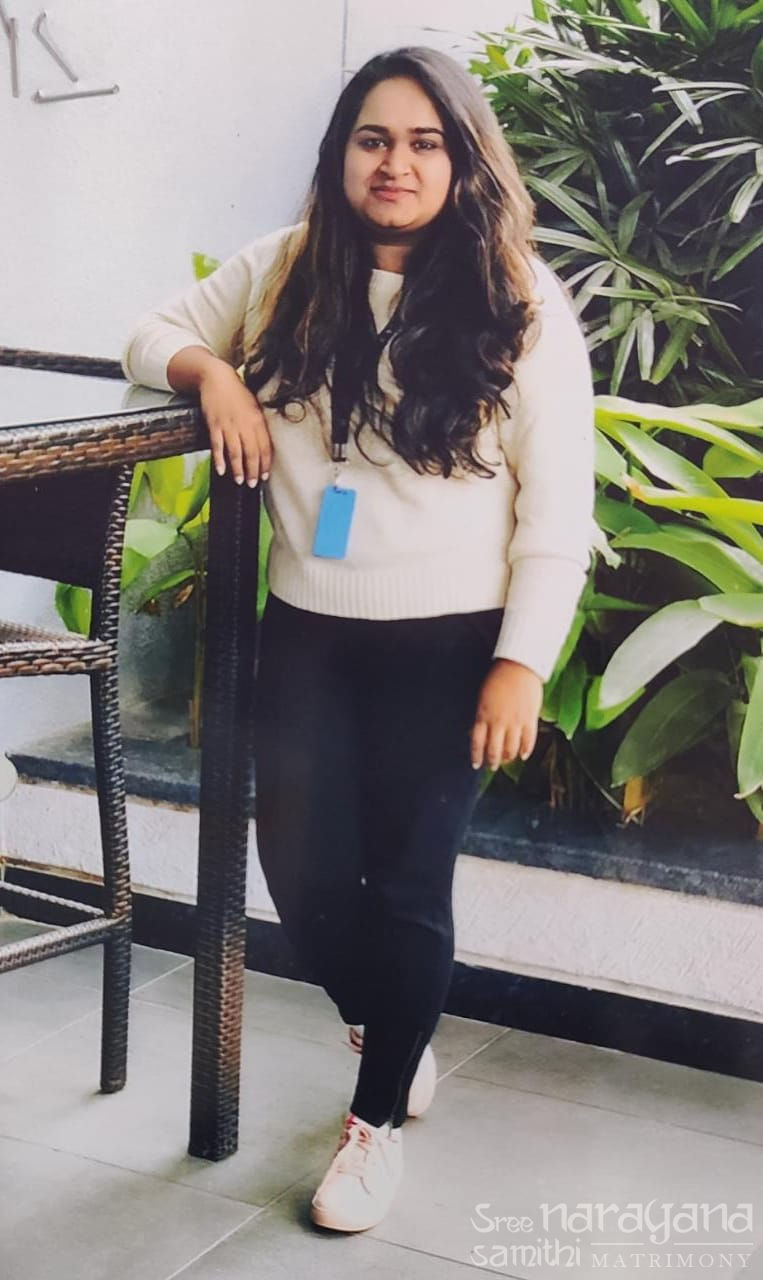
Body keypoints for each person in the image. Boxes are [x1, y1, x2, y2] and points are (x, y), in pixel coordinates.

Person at [121, 45, 595, 1234]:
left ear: (464, 160)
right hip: (309, 635)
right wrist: (210, 375)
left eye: (425, 142)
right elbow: (149, 333)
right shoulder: (285, 268)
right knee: (300, 868)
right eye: (373, 139)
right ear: (341, 154)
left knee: (410, 879)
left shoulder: (520, 300)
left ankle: (373, 1120)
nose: (396, 163)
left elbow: (557, 511)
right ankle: (389, 1020)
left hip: (451, 644)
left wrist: (521, 661)